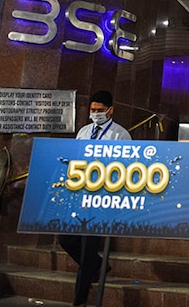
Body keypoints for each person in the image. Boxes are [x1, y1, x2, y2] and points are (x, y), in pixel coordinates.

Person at [59, 90, 131, 307]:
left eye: (100, 110)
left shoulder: (120, 135)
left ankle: (79, 300)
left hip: (102, 197)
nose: (96, 114)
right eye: (93, 110)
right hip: (80, 194)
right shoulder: (83, 131)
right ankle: (99, 265)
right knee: (66, 239)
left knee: (88, 248)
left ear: (111, 110)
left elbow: (125, 168)